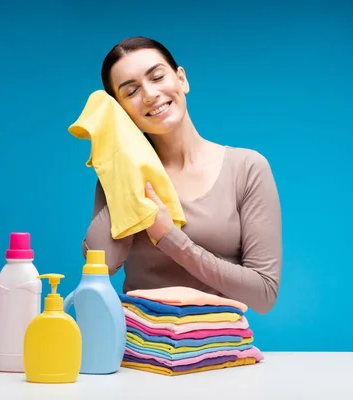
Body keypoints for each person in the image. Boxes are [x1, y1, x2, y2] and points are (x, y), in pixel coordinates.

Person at [82, 36, 283, 314]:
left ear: (181, 80)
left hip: (217, 347)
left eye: (157, 77)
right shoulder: (119, 173)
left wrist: (170, 238)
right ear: (120, 111)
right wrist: (121, 163)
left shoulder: (247, 168)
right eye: (131, 92)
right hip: (138, 348)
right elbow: (103, 265)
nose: (150, 94)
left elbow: (263, 294)